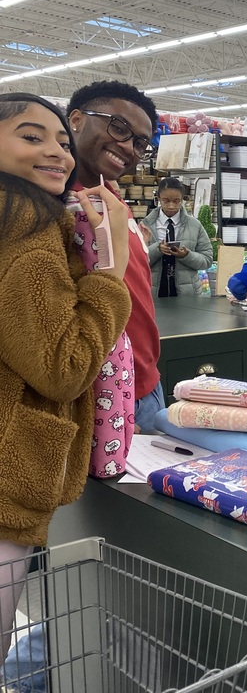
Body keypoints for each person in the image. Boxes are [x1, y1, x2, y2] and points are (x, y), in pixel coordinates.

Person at [0, 93, 131, 655]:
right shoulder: (26, 228)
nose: (56, 151)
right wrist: (111, 270)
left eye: (59, 139)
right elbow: (63, 366)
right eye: (32, 137)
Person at [67, 80, 165, 432]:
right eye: (119, 128)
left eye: (141, 143)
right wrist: (115, 402)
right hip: (107, 392)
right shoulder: (65, 206)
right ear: (76, 119)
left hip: (145, 380)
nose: (129, 148)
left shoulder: (107, 195)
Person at [140, 177, 214, 296]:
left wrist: (187, 256)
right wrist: (157, 249)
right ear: (158, 198)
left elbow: (207, 260)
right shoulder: (145, 226)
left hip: (187, 295)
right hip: (153, 293)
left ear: (182, 200)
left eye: (176, 201)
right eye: (166, 201)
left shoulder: (195, 226)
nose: (171, 206)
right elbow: (135, 260)